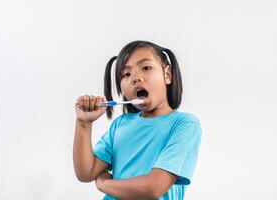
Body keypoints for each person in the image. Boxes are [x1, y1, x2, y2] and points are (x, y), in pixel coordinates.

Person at [73, 40, 202, 200]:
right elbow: (86, 172)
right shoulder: (120, 125)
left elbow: (153, 187)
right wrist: (83, 124)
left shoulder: (184, 125)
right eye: (126, 74)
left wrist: (104, 184)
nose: (135, 78)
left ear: (167, 75)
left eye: (146, 68)